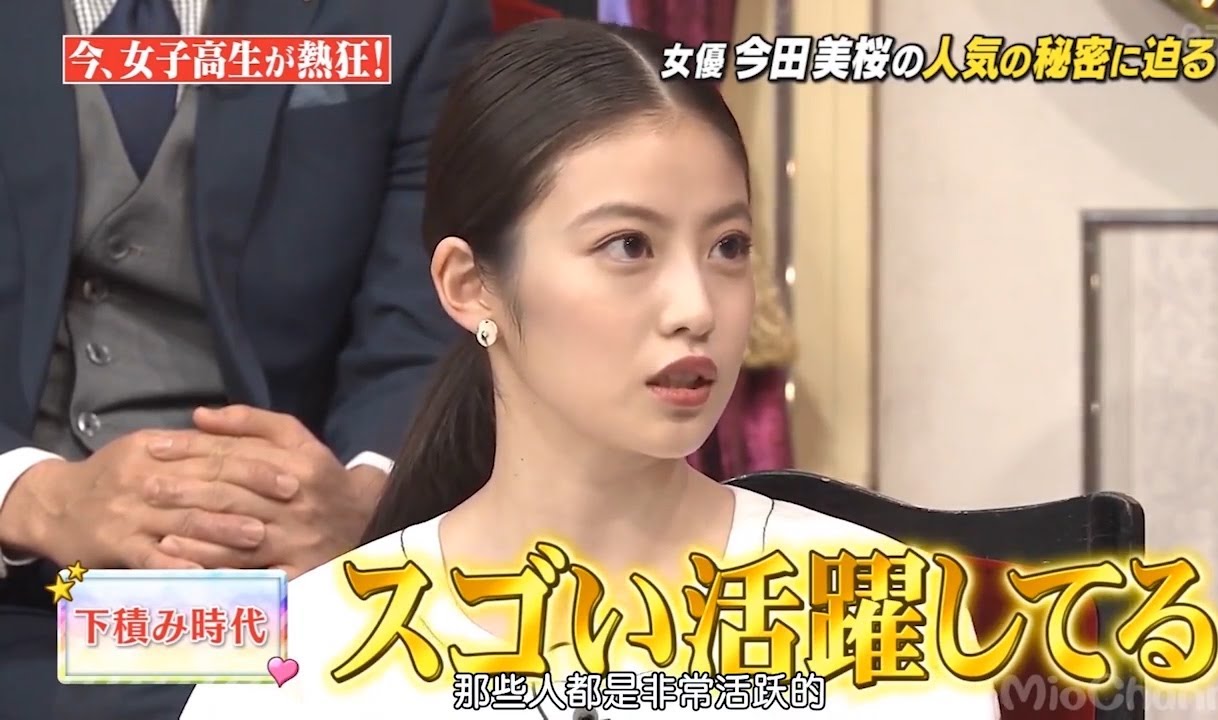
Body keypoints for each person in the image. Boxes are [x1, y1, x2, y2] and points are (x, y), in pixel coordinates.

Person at [180, 18, 1000, 719]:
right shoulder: (305, 656)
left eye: (728, 247)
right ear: (469, 285)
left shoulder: (885, 614)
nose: (696, 307)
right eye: (628, 246)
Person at [0, 1, 492, 718]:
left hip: (287, 580)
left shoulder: (414, 14)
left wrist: (366, 505)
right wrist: (33, 496)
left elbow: (431, 317)